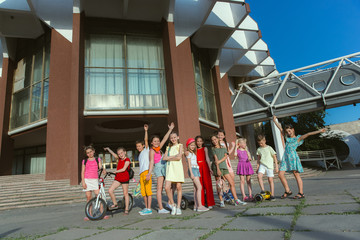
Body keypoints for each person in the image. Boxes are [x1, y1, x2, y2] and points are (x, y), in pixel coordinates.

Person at [273, 115, 326, 199]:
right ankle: (287, 190)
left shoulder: (298, 138)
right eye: (287, 132)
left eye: (290, 131)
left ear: (293, 130)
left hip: (293, 158)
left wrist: (319, 131)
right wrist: (274, 120)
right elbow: (280, 128)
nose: (288, 133)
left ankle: (301, 193)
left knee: (296, 174)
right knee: (280, 174)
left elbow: (308, 134)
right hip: (285, 158)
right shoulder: (287, 137)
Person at [211, 135, 247, 207]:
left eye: (215, 139)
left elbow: (225, 156)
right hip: (217, 168)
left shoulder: (223, 148)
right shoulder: (213, 149)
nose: (214, 141)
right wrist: (218, 168)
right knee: (219, 185)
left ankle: (236, 200)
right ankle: (221, 201)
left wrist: (219, 162)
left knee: (232, 183)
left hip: (224, 167)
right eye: (212, 140)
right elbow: (215, 160)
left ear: (218, 139)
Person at [148, 122, 174, 214]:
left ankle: (169, 203)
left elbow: (165, 138)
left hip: (164, 166)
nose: (157, 142)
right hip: (158, 168)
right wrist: (149, 173)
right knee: (160, 188)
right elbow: (151, 162)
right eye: (155, 141)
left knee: (170, 185)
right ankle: (160, 208)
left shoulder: (158, 149)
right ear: (151, 143)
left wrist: (170, 129)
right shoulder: (152, 151)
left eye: (158, 141)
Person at [81, 145, 108, 221]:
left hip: (95, 180)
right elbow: (82, 172)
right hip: (87, 180)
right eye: (87, 153)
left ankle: (102, 212)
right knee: (88, 198)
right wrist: (83, 182)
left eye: (90, 152)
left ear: (93, 151)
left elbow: (101, 168)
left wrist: (103, 170)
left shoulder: (97, 159)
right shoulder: (84, 161)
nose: (89, 154)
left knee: (99, 196)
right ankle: (89, 214)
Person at [103, 147, 131, 215]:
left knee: (125, 193)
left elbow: (124, 169)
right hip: (118, 178)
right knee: (110, 190)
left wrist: (116, 171)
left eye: (121, 153)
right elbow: (113, 154)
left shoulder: (127, 160)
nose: (120, 155)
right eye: (119, 154)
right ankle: (115, 204)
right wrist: (108, 149)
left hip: (125, 178)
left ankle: (126, 209)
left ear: (125, 152)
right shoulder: (118, 159)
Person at [185, 138, 209, 212]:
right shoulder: (188, 153)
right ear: (188, 146)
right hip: (193, 170)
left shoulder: (193, 153)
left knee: (196, 189)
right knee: (200, 187)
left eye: (193, 145)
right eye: (191, 145)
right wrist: (191, 173)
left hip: (196, 169)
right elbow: (188, 164)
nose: (193, 146)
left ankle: (195, 206)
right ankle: (200, 206)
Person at [163, 132, 184, 215]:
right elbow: (164, 158)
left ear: (177, 137)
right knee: (167, 187)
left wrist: (169, 158)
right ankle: (173, 204)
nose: (173, 139)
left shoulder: (180, 145)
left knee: (178, 187)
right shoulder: (168, 147)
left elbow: (179, 157)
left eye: (174, 137)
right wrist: (174, 156)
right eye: (171, 138)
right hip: (170, 169)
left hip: (178, 168)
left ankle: (178, 207)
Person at [256, 135, 278, 201]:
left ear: (265, 141)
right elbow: (258, 159)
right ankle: (262, 190)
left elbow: (274, 157)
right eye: (259, 143)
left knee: (270, 180)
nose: (261, 144)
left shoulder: (269, 148)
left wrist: (276, 166)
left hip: (269, 166)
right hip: (262, 165)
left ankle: (272, 194)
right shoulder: (259, 149)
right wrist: (257, 167)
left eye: (262, 143)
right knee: (259, 176)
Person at [195, 136, 215, 209]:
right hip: (197, 167)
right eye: (198, 141)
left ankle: (210, 203)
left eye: (201, 141)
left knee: (207, 184)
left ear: (203, 142)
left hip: (205, 166)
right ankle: (202, 203)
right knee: (200, 186)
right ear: (196, 142)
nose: (199, 143)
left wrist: (210, 168)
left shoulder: (205, 148)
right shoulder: (195, 149)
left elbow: (207, 158)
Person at [136, 124, 152, 216]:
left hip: (146, 173)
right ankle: (146, 208)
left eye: (139, 146)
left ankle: (149, 208)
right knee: (143, 192)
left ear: (143, 146)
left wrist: (146, 130)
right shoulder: (140, 154)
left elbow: (146, 140)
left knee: (148, 191)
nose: (138, 148)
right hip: (141, 174)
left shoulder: (146, 150)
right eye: (137, 146)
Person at [235, 138, 254, 202]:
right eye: (243, 143)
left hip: (247, 165)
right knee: (242, 181)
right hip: (241, 165)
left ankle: (250, 195)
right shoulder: (237, 150)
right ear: (239, 144)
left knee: (248, 181)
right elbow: (235, 155)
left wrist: (249, 158)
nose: (244, 144)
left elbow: (249, 157)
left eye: (245, 143)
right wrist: (236, 147)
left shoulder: (246, 150)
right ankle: (244, 196)